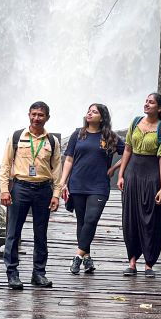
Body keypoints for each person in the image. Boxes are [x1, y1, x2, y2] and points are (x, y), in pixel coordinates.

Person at [0, 101, 62, 289]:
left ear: (47, 118)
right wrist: (4, 189)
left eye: (40, 115)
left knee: (40, 233)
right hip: (20, 188)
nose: (36, 118)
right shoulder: (17, 137)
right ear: (28, 115)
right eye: (34, 114)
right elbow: (5, 164)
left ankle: (39, 273)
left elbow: (57, 169)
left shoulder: (52, 141)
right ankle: (12, 274)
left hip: (43, 189)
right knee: (13, 232)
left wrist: (56, 194)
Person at [59, 103, 125, 274]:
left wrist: (114, 168)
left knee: (91, 219)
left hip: (99, 185)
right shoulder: (78, 134)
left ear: (102, 117)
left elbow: (128, 152)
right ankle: (87, 258)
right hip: (78, 183)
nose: (89, 113)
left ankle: (78, 257)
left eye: (94, 112)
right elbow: (69, 159)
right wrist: (63, 182)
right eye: (89, 111)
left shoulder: (110, 136)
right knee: (81, 222)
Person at [117, 92, 161, 278]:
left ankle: (149, 263)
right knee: (131, 217)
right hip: (133, 174)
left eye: (151, 102)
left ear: (160, 108)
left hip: (152, 176)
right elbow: (127, 149)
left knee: (151, 218)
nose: (147, 104)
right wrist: (121, 174)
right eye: (146, 101)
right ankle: (131, 262)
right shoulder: (135, 123)